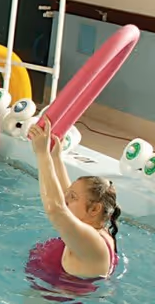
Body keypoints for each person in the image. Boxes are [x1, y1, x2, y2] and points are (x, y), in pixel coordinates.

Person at [26, 117, 120, 285]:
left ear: (94, 209)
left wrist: (42, 154)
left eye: (73, 197)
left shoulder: (92, 241)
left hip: (56, 298)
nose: (65, 198)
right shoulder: (94, 227)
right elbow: (65, 195)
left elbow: (55, 209)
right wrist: (55, 157)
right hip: (53, 286)